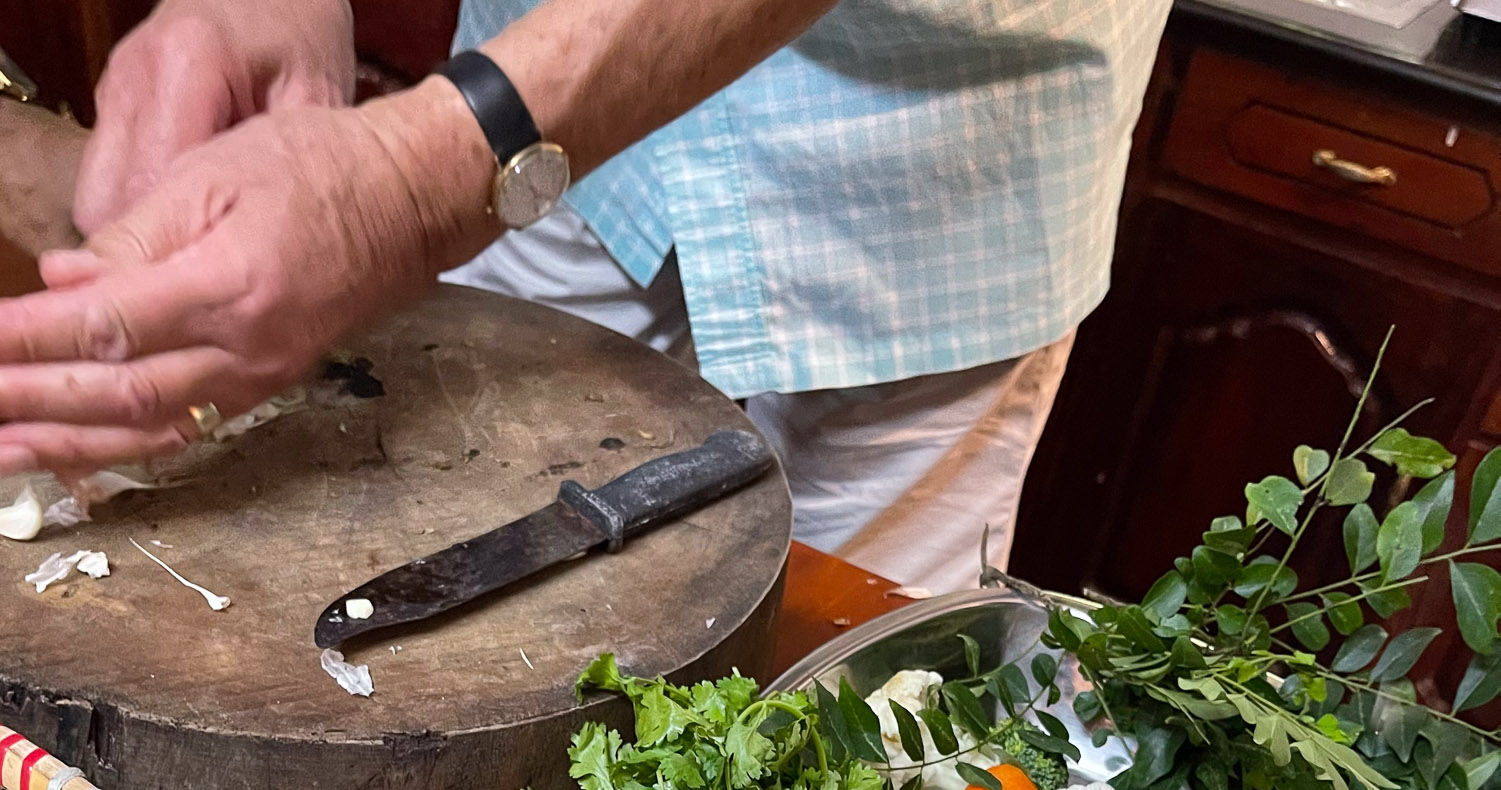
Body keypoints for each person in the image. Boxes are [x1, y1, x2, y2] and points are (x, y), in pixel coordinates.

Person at [0, 0, 1171, 588]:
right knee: (451, 615)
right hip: (541, 118)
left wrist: (422, 180)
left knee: (846, 735)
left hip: (928, 165)